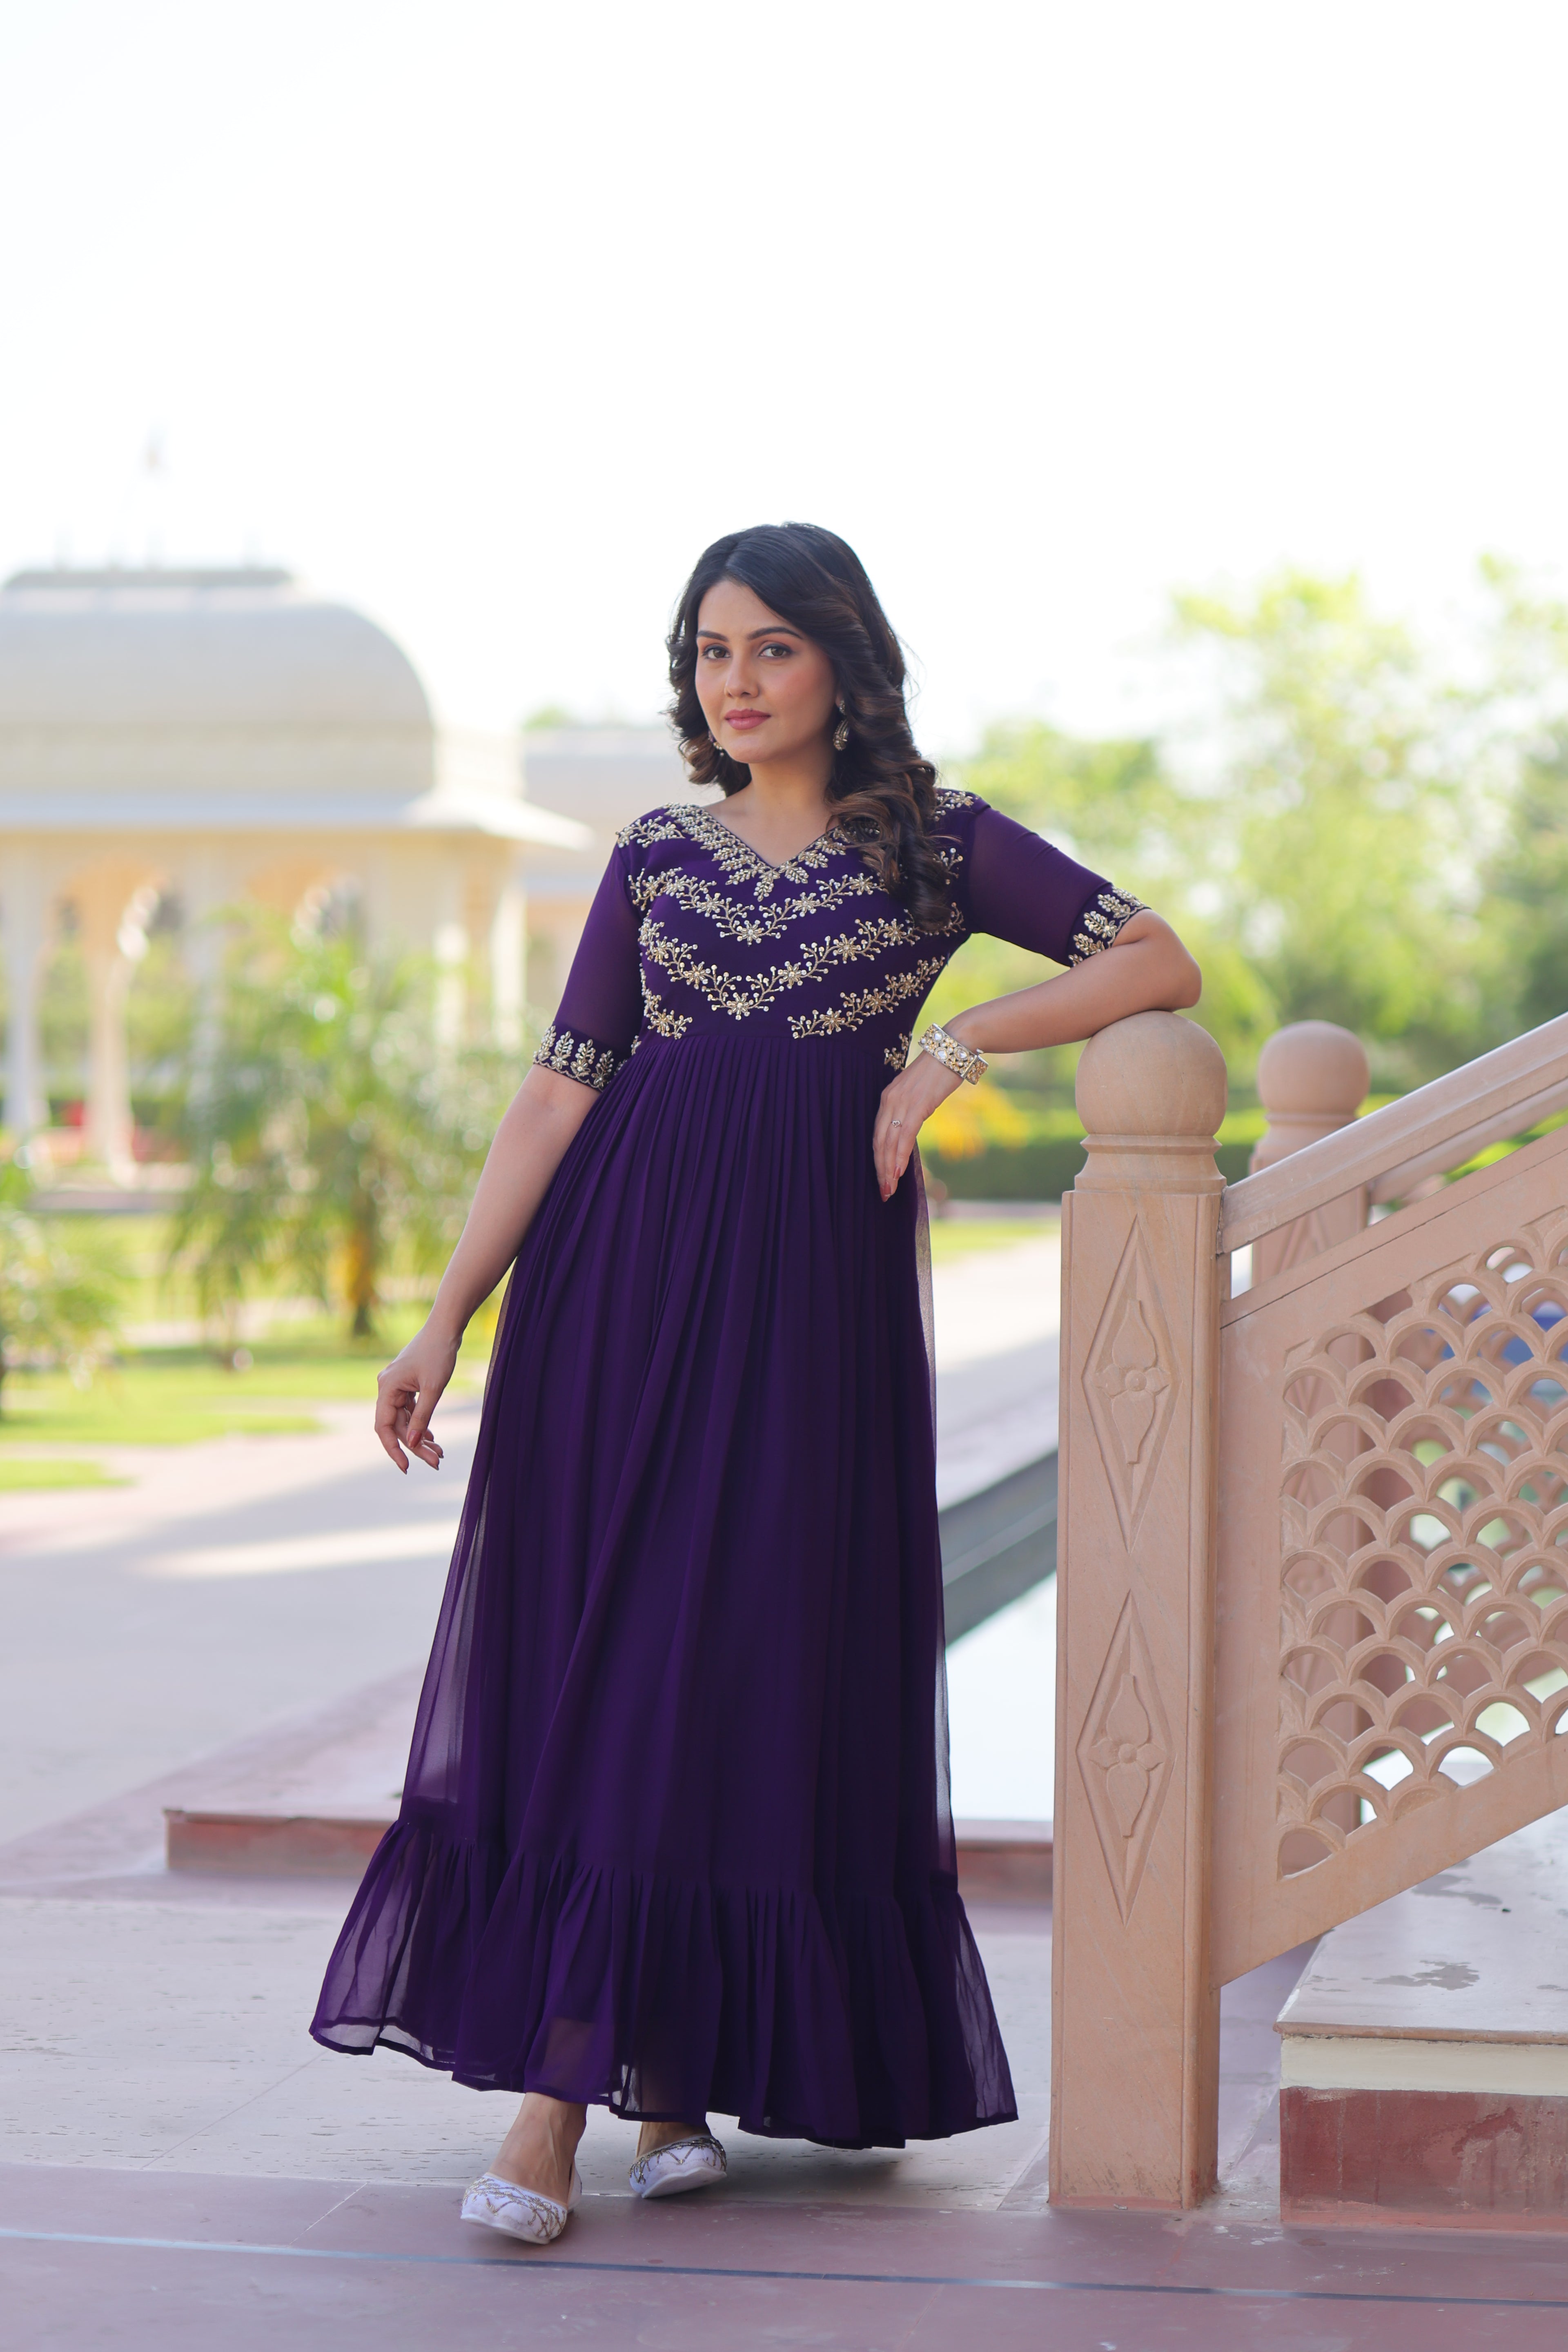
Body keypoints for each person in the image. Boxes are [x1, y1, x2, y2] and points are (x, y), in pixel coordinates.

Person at [310, 523, 1200, 2245]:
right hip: (620, 1289)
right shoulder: (655, 854)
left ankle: (668, 2079)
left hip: (810, 1300)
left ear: (844, 663)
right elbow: (558, 1093)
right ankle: (568, 2100)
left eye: (772, 647)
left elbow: (1154, 960)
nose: (736, 679)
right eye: (712, 650)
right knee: (621, 1653)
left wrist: (954, 1048)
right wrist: (444, 1318)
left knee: (747, 1656)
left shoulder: (939, 845)